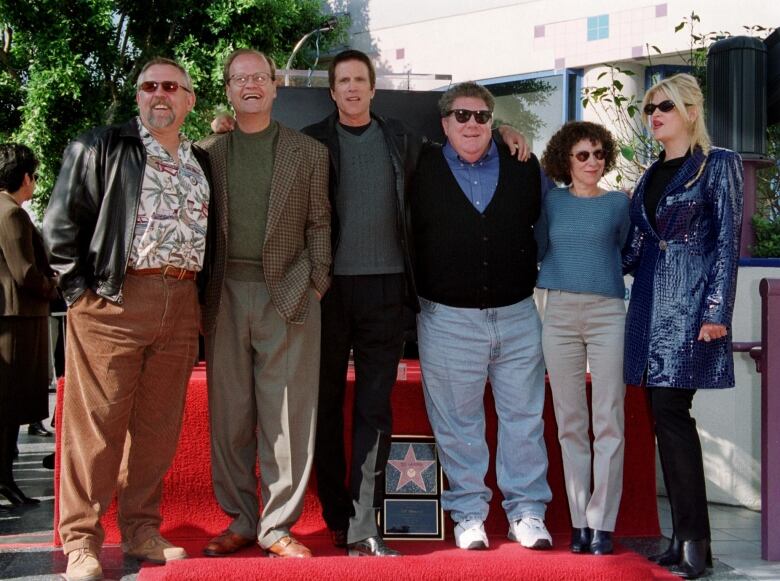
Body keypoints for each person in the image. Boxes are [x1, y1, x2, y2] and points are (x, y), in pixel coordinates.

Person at [211, 48, 528, 557]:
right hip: (325, 292)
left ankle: (363, 522)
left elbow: (464, 138)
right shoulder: (308, 141)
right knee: (325, 405)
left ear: (373, 88)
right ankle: (336, 514)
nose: (353, 88)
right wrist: (229, 124)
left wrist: (507, 129)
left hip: (386, 291)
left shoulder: (402, 141)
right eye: (343, 81)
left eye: (361, 80)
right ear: (332, 91)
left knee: (374, 411)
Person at [43, 57, 212, 581]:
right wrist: (81, 297)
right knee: (96, 429)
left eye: (171, 87)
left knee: (157, 428)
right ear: (138, 95)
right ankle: (81, 540)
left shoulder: (199, 160)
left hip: (181, 302)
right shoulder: (100, 146)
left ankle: (141, 527)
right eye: (149, 86)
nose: (159, 94)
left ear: (189, 100)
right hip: (114, 300)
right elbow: (59, 226)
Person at [198, 49, 330, 560]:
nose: (250, 85)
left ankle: (277, 525)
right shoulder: (205, 152)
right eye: (240, 78)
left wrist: (316, 282)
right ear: (228, 89)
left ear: (276, 87)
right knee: (229, 413)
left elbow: (320, 221)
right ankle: (240, 519)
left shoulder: (307, 152)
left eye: (259, 77)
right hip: (224, 292)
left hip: (290, 291)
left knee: (288, 415)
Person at [410, 81, 552, 551]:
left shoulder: (524, 167)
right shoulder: (419, 166)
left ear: (494, 122)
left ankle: (527, 513)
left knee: (524, 417)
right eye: (461, 115)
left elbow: (550, 225)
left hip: (516, 315)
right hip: (447, 318)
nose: (472, 124)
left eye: (482, 116)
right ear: (444, 122)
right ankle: (469, 513)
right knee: (457, 421)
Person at [623, 73, 743, 580]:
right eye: (651, 107)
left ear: (691, 111)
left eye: (666, 106)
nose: (655, 115)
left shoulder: (719, 165)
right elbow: (634, 249)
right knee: (662, 420)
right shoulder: (648, 175)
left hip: (692, 309)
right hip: (648, 307)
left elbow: (727, 242)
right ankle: (682, 540)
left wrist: (717, 311)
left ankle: (697, 545)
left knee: (672, 416)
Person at [537, 121, 629, 555]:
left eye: (598, 154)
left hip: (608, 311)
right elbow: (536, 249)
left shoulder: (617, 205)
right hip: (558, 312)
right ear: (566, 161)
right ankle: (578, 522)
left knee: (608, 416)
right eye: (583, 155)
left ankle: (602, 524)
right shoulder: (551, 203)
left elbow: (627, 251)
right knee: (570, 421)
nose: (593, 162)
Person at [0, 143, 58, 506]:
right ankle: (4, 479)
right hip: (17, 319)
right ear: (25, 177)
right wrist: (55, 284)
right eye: (34, 176)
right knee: (10, 406)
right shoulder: (11, 214)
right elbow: (25, 272)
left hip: (16, 317)